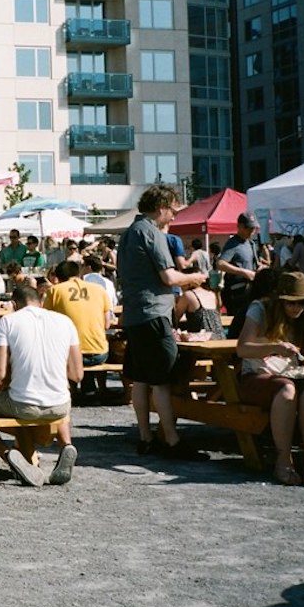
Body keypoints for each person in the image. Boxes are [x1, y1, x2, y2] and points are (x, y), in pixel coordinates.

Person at [117, 184, 210, 459]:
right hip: (153, 312)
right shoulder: (151, 233)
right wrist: (195, 279)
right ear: (162, 207)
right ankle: (171, 440)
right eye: (173, 211)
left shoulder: (129, 233)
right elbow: (169, 278)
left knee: (142, 379)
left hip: (134, 313)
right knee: (162, 379)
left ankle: (146, 437)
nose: (174, 217)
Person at [0, 285, 81, 487]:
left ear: (13, 304)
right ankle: (67, 445)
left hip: (22, 403)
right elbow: (77, 374)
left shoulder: (8, 322)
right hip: (60, 406)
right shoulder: (66, 322)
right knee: (36, 403)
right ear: (41, 300)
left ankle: (9, 456)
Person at [235, 271, 304, 487]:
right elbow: (242, 349)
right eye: (291, 303)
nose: (296, 308)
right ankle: (283, 461)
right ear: (280, 299)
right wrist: (275, 347)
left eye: (301, 304)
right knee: (287, 390)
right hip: (256, 375)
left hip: (290, 373)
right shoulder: (260, 308)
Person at [44, 260, 112, 402]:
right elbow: (107, 324)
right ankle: (100, 388)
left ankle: (72, 392)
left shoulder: (55, 291)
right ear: (78, 273)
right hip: (100, 353)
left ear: (58, 277)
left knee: (63, 346)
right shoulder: (99, 290)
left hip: (70, 356)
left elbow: (47, 324)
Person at [217, 211, 263, 318]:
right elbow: (221, 263)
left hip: (249, 291)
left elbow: (253, 263)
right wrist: (243, 272)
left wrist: (260, 267)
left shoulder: (251, 243)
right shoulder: (233, 243)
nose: (252, 231)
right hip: (236, 292)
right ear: (239, 227)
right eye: (249, 228)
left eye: (254, 228)